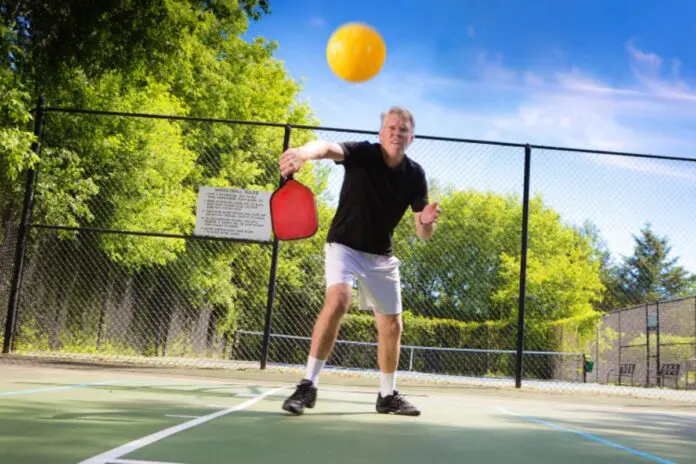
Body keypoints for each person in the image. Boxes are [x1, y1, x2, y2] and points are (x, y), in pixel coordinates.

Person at [278, 106, 440, 416]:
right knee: (339, 298)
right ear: (381, 134)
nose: (396, 132)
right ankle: (308, 385)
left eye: (403, 129)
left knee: (392, 325)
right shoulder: (363, 154)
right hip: (344, 245)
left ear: (411, 137)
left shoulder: (415, 175)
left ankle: (387, 395)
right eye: (391, 127)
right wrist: (302, 153)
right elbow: (326, 148)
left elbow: (423, 232)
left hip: (381, 254)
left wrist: (428, 221)